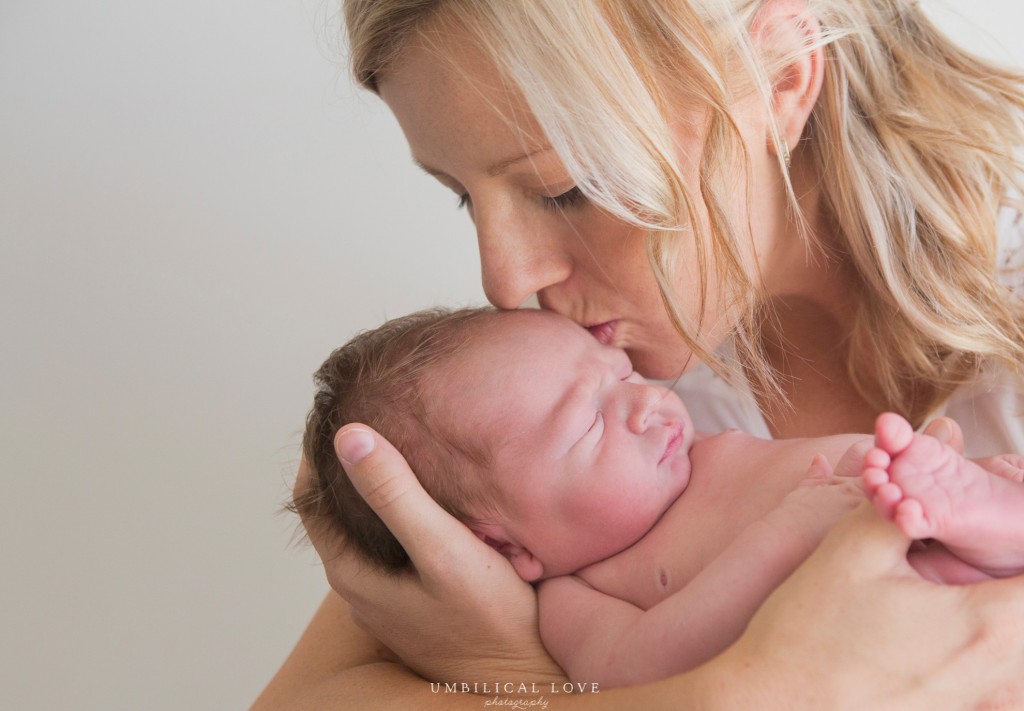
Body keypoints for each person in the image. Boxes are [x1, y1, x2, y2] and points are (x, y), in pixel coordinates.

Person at [252, 1, 1024, 708]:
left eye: (563, 189)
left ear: (781, 80)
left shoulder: (611, 381)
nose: (504, 279)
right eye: (463, 195)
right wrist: (518, 666)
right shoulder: (547, 401)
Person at [293, 305, 1024, 689]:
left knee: (935, 486)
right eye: (588, 422)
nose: (645, 405)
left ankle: (987, 506)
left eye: (621, 377)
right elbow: (638, 668)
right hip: (886, 618)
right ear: (506, 545)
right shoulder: (575, 596)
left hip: (910, 514)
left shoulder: (697, 445)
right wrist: (784, 533)